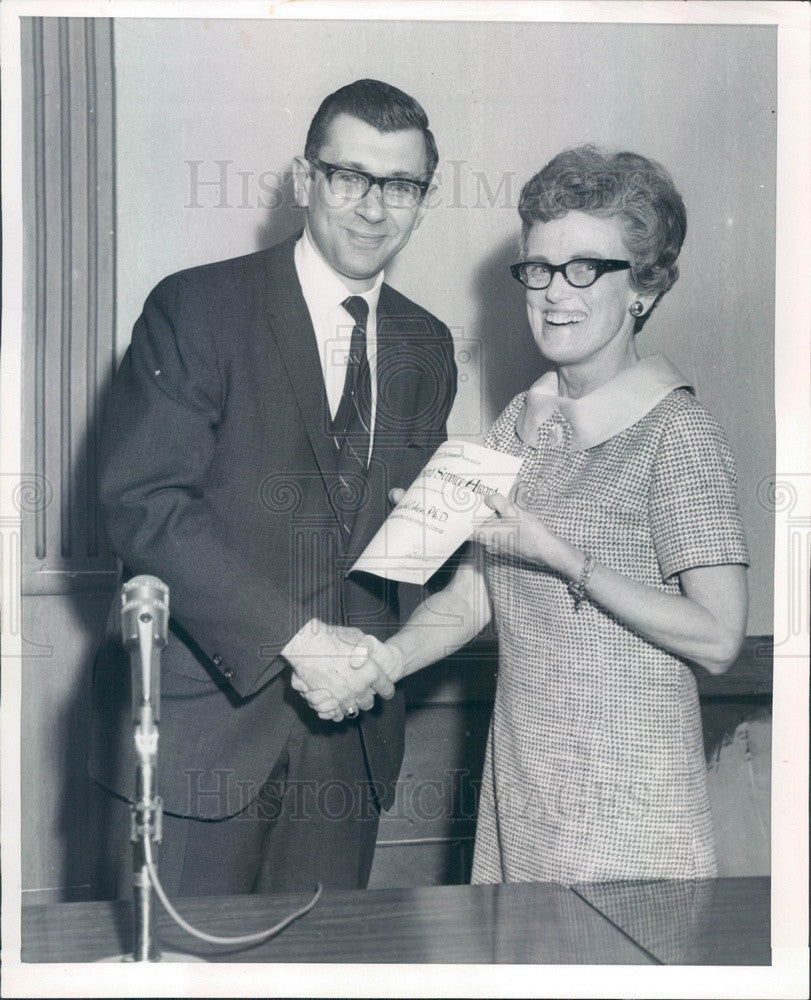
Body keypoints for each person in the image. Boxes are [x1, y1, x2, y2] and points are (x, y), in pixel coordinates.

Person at [303, 145, 749, 883]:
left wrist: (563, 557)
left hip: (629, 807)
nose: (552, 292)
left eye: (584, 268)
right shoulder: (521, 419)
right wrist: (385, 661)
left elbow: (717, 638)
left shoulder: (679, 433)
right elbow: (473, 596)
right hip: (523, 789)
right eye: (538, 268)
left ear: (642, 285)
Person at [89, 79, 457, 898]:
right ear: (303, 180)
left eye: (399, 186)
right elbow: (145, 506)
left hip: (347, 746)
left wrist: (482, 502)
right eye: (349, 177)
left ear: (422, 201)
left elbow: (398, 549)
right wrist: (302, 642)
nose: (372, 207)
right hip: (198, 743)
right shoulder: (197, 307)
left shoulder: (428, 347)